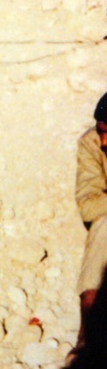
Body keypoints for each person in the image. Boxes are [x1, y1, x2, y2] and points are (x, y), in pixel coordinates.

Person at [73, 92, 107, 351]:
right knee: (104, 225)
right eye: (101, 131)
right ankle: (87, 339)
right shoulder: (91, 143)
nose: (104, 141)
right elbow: (88, 207)